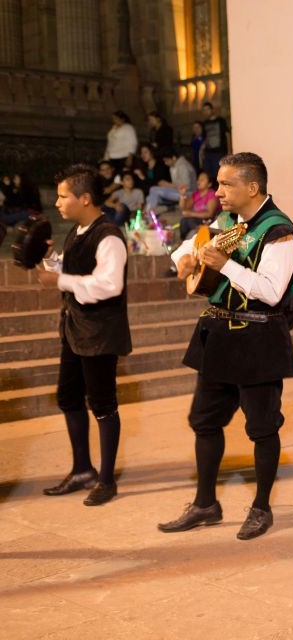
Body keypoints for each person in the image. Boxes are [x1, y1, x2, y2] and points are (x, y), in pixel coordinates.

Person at [157, 152, 293, 541]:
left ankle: (261, 507)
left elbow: (271, 293)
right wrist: (184, 260)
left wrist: (226, 267)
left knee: (262, 427)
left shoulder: (279, 232)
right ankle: (206, 504)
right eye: (218, 183)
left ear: (252, 187)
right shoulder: (226, 223)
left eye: (226, 184)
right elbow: (188, 246)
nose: (217, 191)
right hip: (218, 337)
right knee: (204, 421)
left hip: (259, 338)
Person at [37, 164, 132, 506]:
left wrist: (60, 280)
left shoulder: (108, 236)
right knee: (68, 397)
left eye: (63, 196)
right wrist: (48, 259)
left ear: (85, 198)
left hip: (101, 333)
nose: (58, 202)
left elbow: (109, 285)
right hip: (75, 329)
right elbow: (72, 269)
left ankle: (106, 480)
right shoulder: (76, 231)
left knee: (103, 405)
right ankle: (82, 470)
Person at [177, 171, 221, 241]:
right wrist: (182, 195)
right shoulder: (196, 194)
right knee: (184, 221)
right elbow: (184, 207)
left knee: (188, 221)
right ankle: (183, 240)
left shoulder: (212, 194)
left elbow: (210, 214)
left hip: (208, 221)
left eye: (202, 180)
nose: (198, 182)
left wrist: (190, 214)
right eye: (198, 179)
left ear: (209, 184)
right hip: (196, 220)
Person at [201, 102, 231, 172]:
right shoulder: (205, 123)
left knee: (217, 172)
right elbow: (206, 138)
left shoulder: (221, 121)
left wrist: (229, 150)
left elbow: (227, 135)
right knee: (207, 172)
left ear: (212, 110)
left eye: (207, 109)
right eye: (204, 110)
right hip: (208, 152)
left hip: (219, 152)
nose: (206, 112)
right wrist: (202, 150)